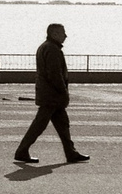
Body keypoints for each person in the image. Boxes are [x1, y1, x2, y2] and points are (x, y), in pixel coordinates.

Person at [14, 22, 88, 164]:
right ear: (54, 34)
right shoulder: (52, 49)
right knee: (40, 125)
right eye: (62, 33)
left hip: (50, 95)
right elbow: (55, 74)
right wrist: (64, 91)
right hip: (51, 96)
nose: (65, 36)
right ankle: (22, 151)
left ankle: (70, 152)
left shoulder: (46, 47)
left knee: (63, 124)